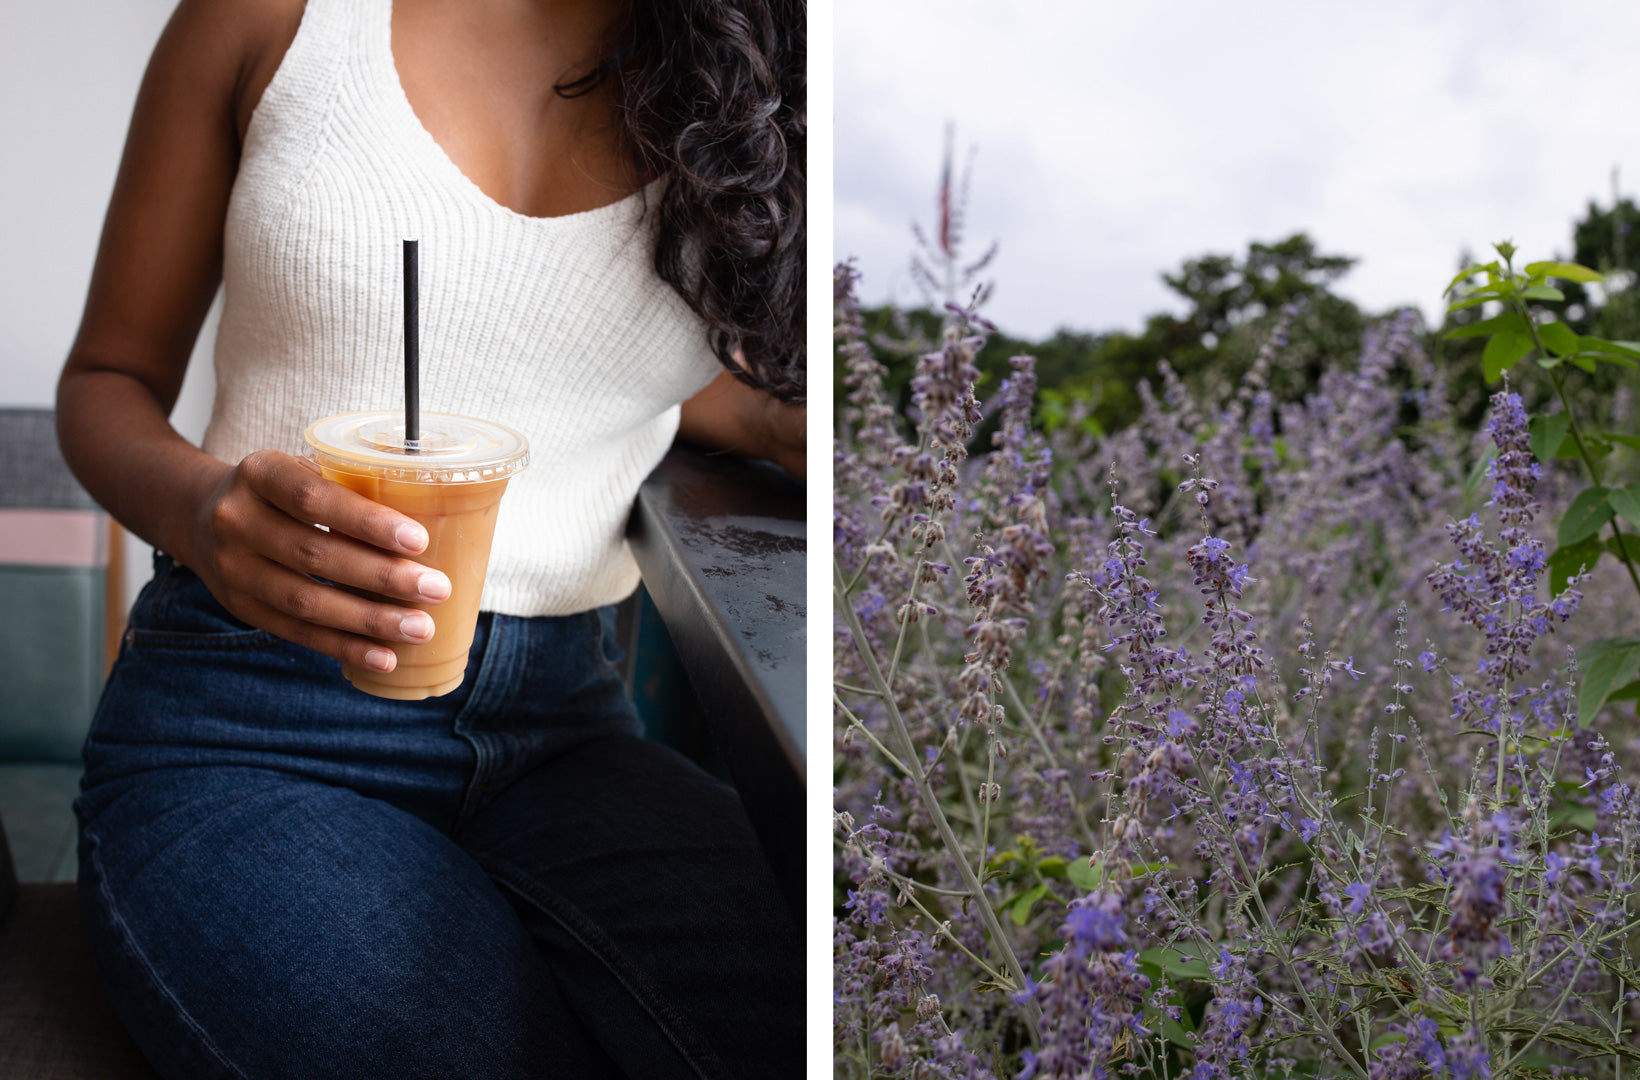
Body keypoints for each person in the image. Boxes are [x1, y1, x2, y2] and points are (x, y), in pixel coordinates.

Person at [54, 0, 805, 1076]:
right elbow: (105, 381)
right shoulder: (275, 19)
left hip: (568, 731)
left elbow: (597, 360)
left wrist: (786, 416)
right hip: (249, 723)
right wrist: (199, 511)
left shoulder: (763, 66)